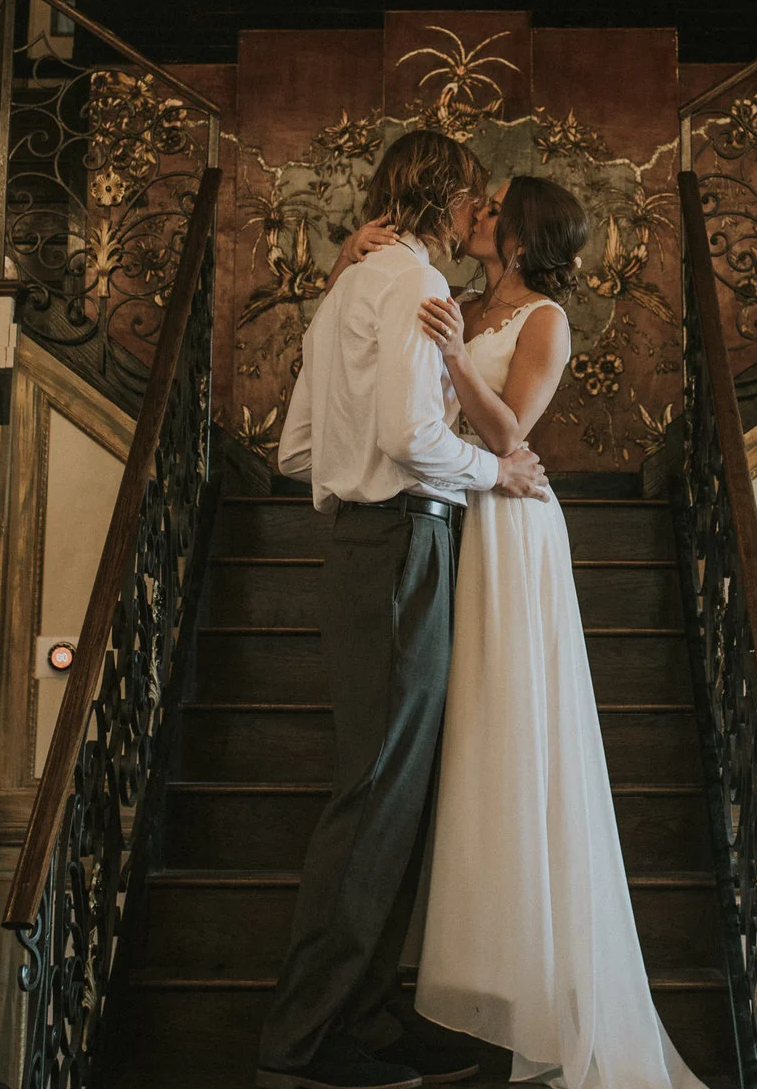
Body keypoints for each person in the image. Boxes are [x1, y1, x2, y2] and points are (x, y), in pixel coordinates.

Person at [261, 131, 553, 1089]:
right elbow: (409, 431)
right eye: (476, 200)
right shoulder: (415, 281)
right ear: (448, 197)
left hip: (363, 542)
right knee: (380, 794)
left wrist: (375, 477)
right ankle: (304, 1045)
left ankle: (370, 1014)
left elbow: (297, 452)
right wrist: (494, 470)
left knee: (390, 792)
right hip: (401, 543)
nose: (485, 218)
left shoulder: (350, 283)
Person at [412, 176, 706, 1089]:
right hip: (454, 509)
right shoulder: (457, 301)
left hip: (512, 527)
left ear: (522, 231)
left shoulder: (544, 319)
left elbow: (513, 434)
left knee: (514, 726)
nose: (477, 213)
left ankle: (556, 1005)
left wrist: (461, 364)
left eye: (492, 205)